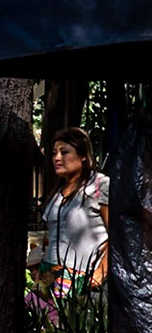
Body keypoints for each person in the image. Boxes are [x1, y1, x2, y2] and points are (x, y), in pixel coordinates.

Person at [38, 126, 109, 298]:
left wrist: (102, 272)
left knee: (73, 323)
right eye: (54, 153)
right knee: (46, 323)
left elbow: (119, 235)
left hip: (83, 278)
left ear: (83, 155)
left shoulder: (100, 185)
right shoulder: (57, 192)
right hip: (49, 275)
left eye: (64, 152)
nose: (57, 158)